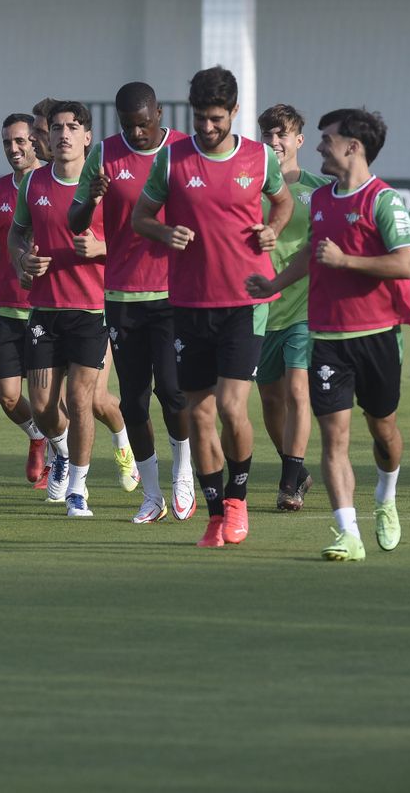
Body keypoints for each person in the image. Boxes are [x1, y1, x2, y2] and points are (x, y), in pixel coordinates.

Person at [131, 67, 291, 547]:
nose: (206, 127)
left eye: (216, 118)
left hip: (244, 302)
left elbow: (282, 203)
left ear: (235, 111)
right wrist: (165, 232)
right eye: (200, 117)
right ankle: (216, 513)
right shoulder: (172, 159)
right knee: (198, 415)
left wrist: (273, 229)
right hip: (188, 303)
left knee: (230, 406)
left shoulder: (259, 157)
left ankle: (238, 501)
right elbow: (141, 217)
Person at [247, 108, 410, 562]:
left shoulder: (384, 200)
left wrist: (346, 262)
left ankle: (386, 496)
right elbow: (310, 252)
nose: (320, 146)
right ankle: (348, 532)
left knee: (383, 431)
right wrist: (273, 285)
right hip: (326, 336)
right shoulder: (321, 199)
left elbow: (405, 264)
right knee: (333, 438)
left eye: (327, 139)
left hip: (377, 335)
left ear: (352, 147)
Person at [75, 81, 194, 523]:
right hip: (122, 296)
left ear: (159, 114)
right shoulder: (104, 154)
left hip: (174, 293)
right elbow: (75, 220)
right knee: (133, 402)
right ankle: (152, 495)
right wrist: (91, 197)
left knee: (174, 392)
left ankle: (184, 475)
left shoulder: (184, 151)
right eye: (128, 126)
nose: (137, 133)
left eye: (143, 124)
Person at [12, 101, 120, 517]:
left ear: (87, 137)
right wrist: (23, 260)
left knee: (79, 400)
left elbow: (134, 241)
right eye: (56, 128)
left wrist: (101, 248)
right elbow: (17, 234)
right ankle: (62, 452)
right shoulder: (34, 182)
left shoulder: (106, 184)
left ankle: (78, 488)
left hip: (92, 309)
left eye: (73, 127)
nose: (63, 135)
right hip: (44, 309)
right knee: (42, 407)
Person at [255, 104, 333, 512]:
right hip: (259, 309)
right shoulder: (247, 185)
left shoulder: (320, 189)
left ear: (298, 140)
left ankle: (288, 482)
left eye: (282, 134)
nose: (274, 141)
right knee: (270, 401)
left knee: (298, 389)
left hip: (305, 308)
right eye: (268, 134)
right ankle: (296, 469)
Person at [0, 113, 49, 485]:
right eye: (7, 142)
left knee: (48, 399)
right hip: (6, 305)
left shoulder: (52, 182)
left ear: (36, 141)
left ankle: (62, 462)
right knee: (7, 396)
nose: (13, 148)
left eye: (20, 140)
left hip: (45, 308)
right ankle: (38, 436)